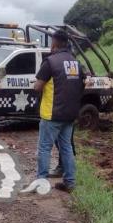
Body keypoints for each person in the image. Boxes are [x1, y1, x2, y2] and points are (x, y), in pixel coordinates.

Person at [34, 29, 86, 192]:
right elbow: (82, 84)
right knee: (66, 147)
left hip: (52, 113)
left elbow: (37, 87)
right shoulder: (76, 63)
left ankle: (41, 183)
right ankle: (69, 182)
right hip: (70, 114)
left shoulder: (50, 62)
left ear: (55, 42)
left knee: (44, 148)